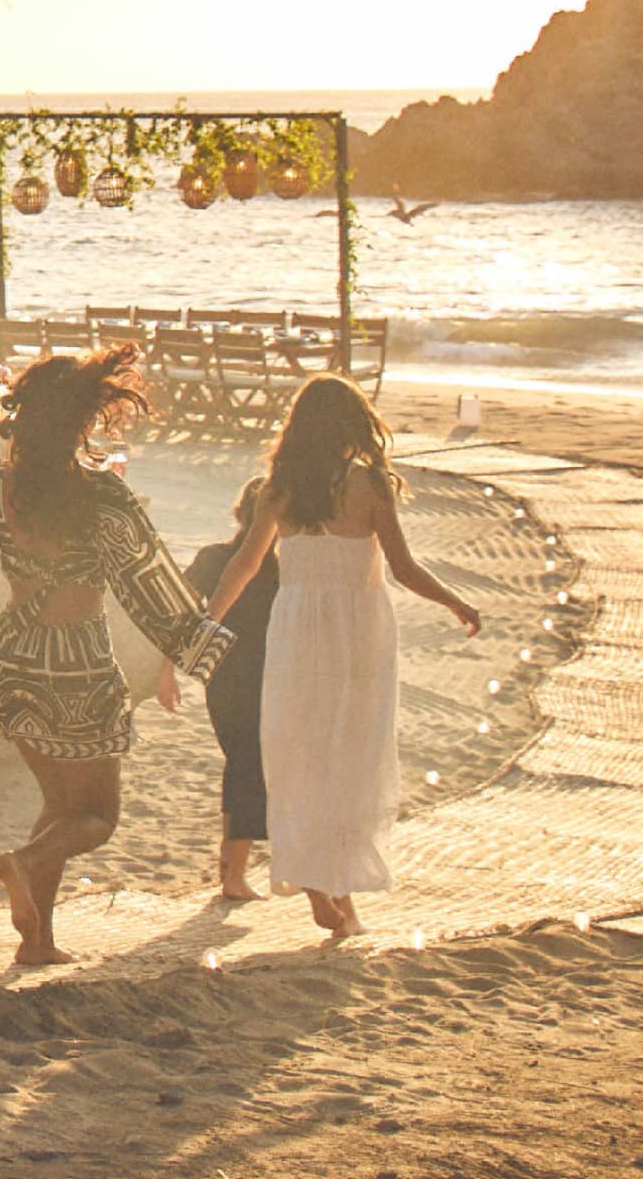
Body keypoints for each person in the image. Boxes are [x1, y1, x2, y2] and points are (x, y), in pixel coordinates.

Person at [0, 348, 232, 965]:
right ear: (81, 422)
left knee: (57, 805)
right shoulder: (103, 497)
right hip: (79, 667)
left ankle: (37, 941)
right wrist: (202, 644)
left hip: (14, 661)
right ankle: (25, 862)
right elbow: (150, 583)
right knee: (97, 817)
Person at [205, 374, 481, 940]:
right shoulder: (368, 485)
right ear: (351, 424)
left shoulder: (277, 490)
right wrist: (453, 598)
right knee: (352, 758)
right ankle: (341, 895)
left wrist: (209, 621)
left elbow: (245, 564)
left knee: (298, 754)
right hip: (358, 632)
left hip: (295, 632)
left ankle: (317, 882)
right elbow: (402, 568)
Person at [185, 476, 279, 903]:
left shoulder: (212, 557)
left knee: (241, 761)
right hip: (262, 672)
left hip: (221, 673)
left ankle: (232, 867)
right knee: (248, 764)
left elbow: (177, 606)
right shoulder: (278, 567)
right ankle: (234, 873)